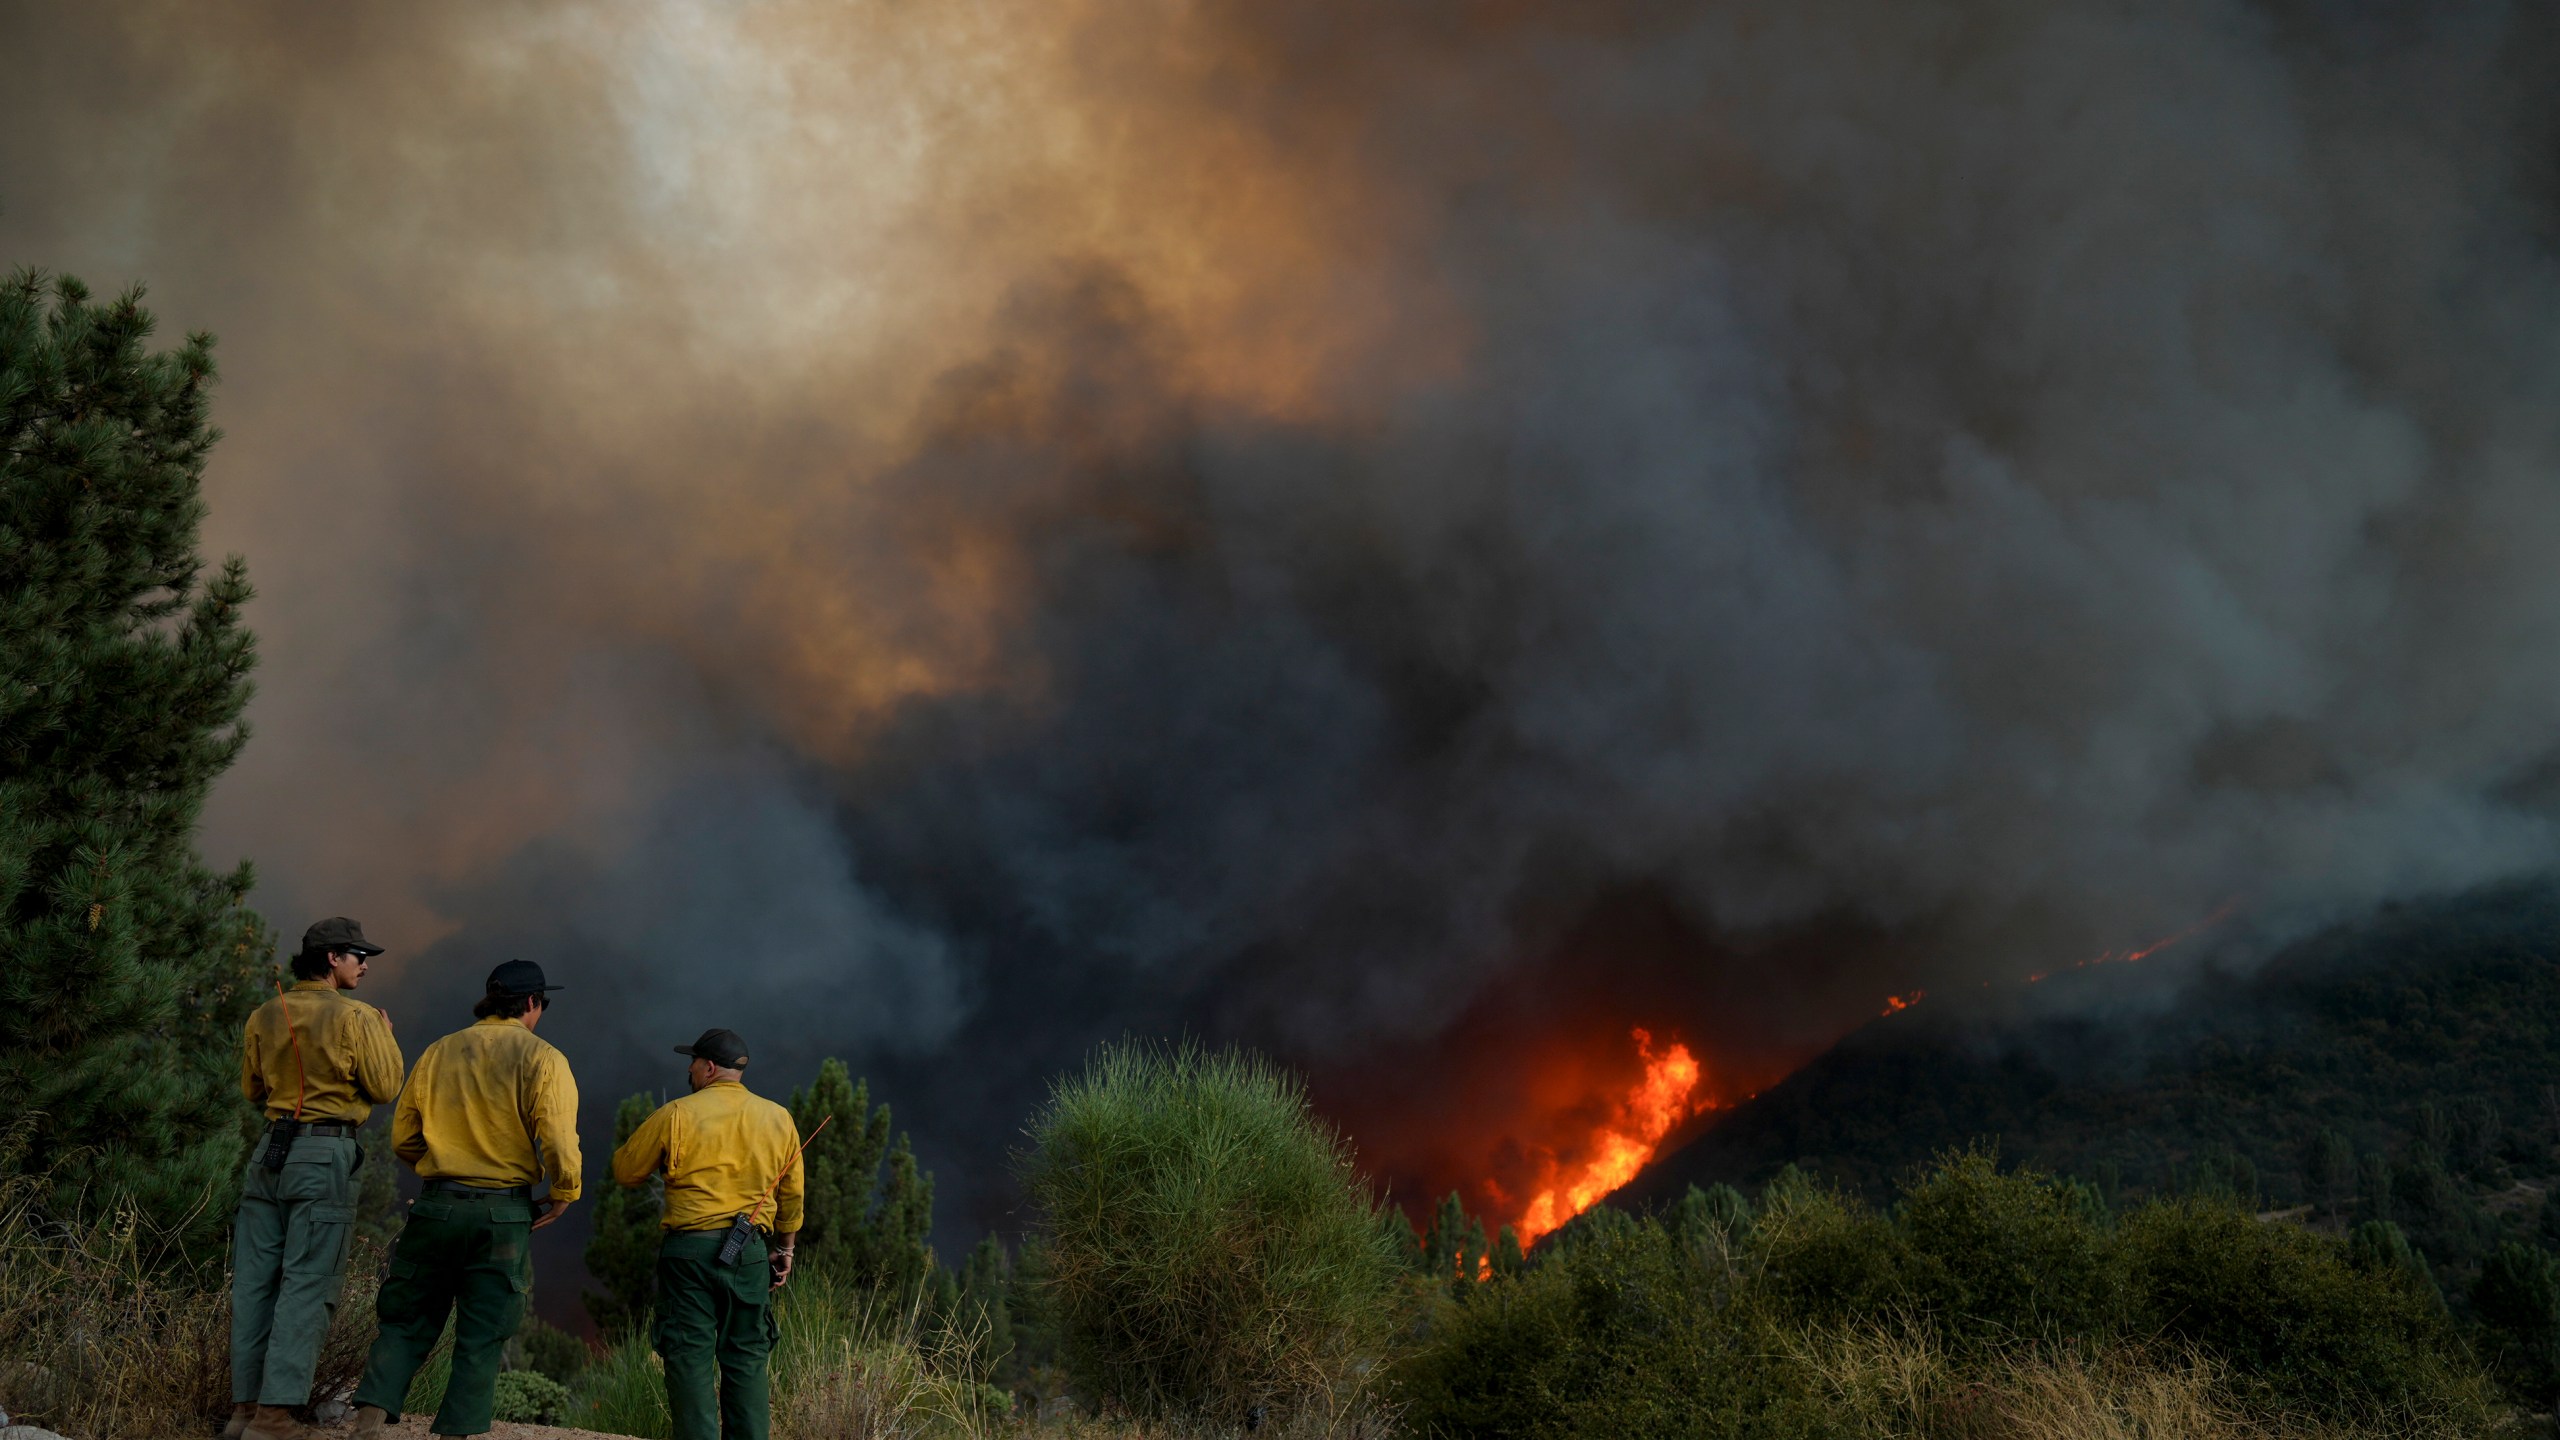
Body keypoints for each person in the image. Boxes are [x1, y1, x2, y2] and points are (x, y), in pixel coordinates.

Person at [350, 960, 580, 1440]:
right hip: (503, 1215)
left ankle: (368, 1423)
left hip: (437, 1207)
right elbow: (558, 1141)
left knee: (407, 1318)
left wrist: (445, 1172)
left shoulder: (439, 1051)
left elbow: (404, 1138)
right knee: (482, 1332)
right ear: (532, 1004)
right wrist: (563, 1193)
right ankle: (456, 1433)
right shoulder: (544, 1058)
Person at [228, 917, 404, 1440]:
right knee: (308, 1284)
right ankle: (275, 1419)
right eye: (358, 955)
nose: (365, 964)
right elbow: (387, 1084)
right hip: (323, 1154)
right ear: (333, 958)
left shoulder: (264, 1013)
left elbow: (250, 1088)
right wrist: (386, 1037)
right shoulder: (360, 1017)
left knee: (255, 1285)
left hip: (268, 1154)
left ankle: (243, 1413)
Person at [612, 1028, 807, 1440]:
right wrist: (785, 1249)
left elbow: (625, 1171)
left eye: (694, 1062)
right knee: (747, 1357)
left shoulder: (677, 1113)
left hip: (688, 1255)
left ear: (710, 1067)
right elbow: (792, 1197)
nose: (690, 1068)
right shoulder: (778, 1118)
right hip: (750, 1253)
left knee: (688, 1357)